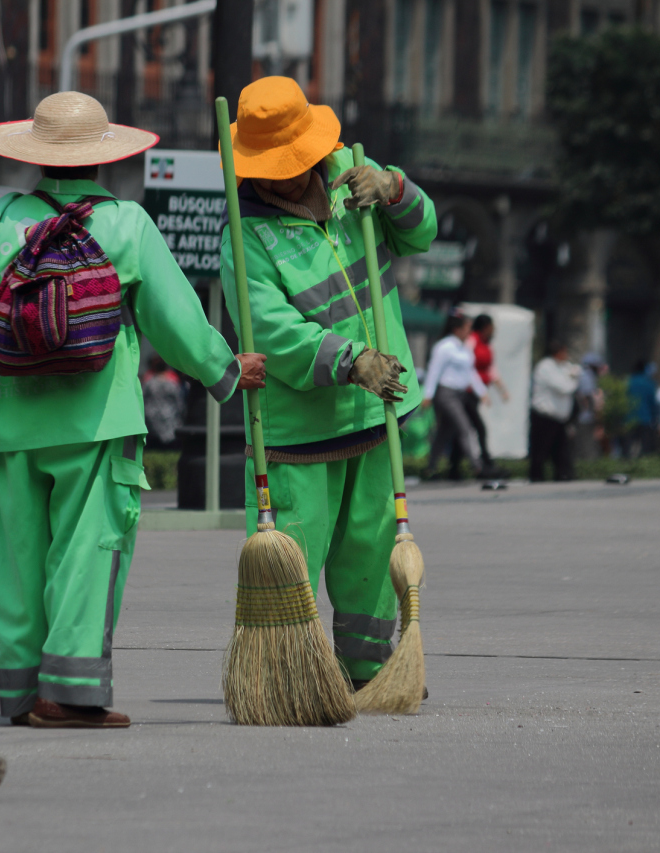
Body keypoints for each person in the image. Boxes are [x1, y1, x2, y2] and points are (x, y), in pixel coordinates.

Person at [0, 92, 267, 728]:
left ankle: (18, 697)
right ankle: (67, 695)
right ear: (102, 159)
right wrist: (226, 372)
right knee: (89, 553)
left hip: (9, 426)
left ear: (34, 155)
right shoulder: (124, 223)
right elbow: (175, 320)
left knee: (16, 562)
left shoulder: (0, 218)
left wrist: (4, 374)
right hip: (97, 422)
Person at [218, 76, 433, 691]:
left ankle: (366, 669)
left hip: (376, 410)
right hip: (302, 425)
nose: (285, 176)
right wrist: (350, 360)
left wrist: (394, 189)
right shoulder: (245, 230)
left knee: (369, 554)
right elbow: (272, 330)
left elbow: (423, 233)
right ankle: (289, 673)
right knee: (296, 552)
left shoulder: (354, 177)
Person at [423, 311, 488, 480]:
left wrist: (481, 392)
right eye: (467, 328)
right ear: (457, 329)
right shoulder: (444, 347)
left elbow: (471, 373)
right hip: (446, 394)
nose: (470, 332)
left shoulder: (464, 348)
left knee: (444, 432)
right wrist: (427, 394)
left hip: (460, 395)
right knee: (465, 428)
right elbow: (434, 371)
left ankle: (430, 468)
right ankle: (478, 467)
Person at [460, 313, 508, 476]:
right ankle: (484, 463)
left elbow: (491, 370)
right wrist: (481, 390)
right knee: (478, 428)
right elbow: (468, 368)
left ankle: (455, 466)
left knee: (461, 429)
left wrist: (502, 389)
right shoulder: (472, 341)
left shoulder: (487, 345)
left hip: (476, 393)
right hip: (466, 392)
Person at [529, 340, 581, 481]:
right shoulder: (545, 367)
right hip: (545, 417)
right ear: (558, 353)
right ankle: (536, 478)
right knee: (541, 452)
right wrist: (574, 378)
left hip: (559, 418)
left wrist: (573, 373)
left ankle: (563, 476)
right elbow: (564, 387)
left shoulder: (561, 367)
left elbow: (573, 372)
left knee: (561, 452)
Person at [140, 355, 185, 449]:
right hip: (170, 418)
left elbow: (142, 399)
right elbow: (179, 402)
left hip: (152, 420)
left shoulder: (149, 383)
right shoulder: (172, 383)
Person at [626, 360, 658, 458]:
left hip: (629, 419)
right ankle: (645, 465)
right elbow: (653, 402)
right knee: (646, 447)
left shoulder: (628, 382)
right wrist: (655, 418)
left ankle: (628, 465)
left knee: (628, 447)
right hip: (645, 418)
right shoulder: (649, 383)